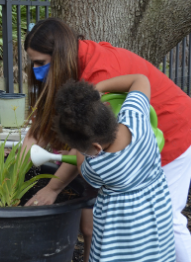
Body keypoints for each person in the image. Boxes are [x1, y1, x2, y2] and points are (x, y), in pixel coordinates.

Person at [23, 17, 191, 262]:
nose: (36, 71)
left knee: (168, 220)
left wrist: (53, 188)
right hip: (145, 139)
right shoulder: (78, 57)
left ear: (59, 55)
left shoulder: (100, 73)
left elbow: (83, 151)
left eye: (40, 63)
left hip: (174, 131)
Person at [53, 74, 175, 262]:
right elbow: (140, 80)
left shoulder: (96, 167)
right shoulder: (136, 118)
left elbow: (81, 166)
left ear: (95, 148)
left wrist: (79, 149)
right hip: (155, 225)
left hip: (120, 240)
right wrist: (96, 90)